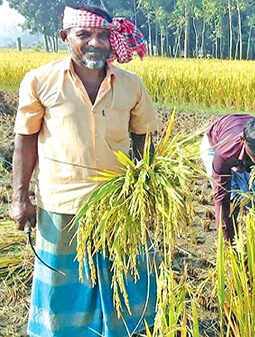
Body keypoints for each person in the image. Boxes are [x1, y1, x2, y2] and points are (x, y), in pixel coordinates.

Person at [9, 5, 158, 337]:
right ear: (65, 37)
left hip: (120, 206)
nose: (96, 42)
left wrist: (146, 192)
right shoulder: (40, 81)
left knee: (126, 280)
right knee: (64, 286)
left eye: (103, 35)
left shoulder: (131, 84)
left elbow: (143, 139)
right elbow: (25, 141)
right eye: (84, 34)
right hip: (62, 204)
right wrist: (20, 199)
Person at [199, 114, 255, 242]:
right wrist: (228, 244)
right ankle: (233, 241)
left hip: (244, 152)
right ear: (243, 141)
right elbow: (221, 199)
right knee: (232, 200)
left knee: (254, 198)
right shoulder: (224, 153)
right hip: (215, 145)